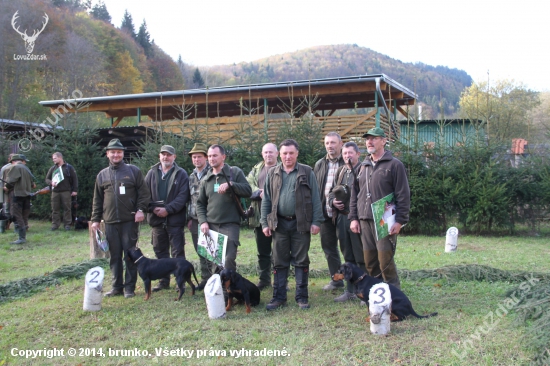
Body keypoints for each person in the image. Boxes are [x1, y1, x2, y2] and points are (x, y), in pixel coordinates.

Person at [261, 139, 324, 310]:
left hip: (301, 224)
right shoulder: (272, 173)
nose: (287, 156)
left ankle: (302, 297)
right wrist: (264, 223)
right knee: (279, 261)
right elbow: (266, 199)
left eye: (291, 153)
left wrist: (316, 221)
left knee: (301, 260)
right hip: (279, 224)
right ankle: (279, 297)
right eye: (284, 153)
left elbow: (316, 198)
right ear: (279, 155)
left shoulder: (307, 171)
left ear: (297, 154)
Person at [349, 127, 410, 289]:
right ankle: (375, 293)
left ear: (383, 141)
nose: (369, 141)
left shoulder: (395, 165)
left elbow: (403, 194)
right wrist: (354, 218)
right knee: (370, 260)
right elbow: (355, 194)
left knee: (385, 260)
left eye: (374, 138)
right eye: (367, 139)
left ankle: (394, 295)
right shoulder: (363, 166)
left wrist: (400, 220)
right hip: (364, 220)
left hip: (384, 218)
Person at [91, 139, 150, 298]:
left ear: (123, 153)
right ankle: (117, 286)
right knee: (114, 256)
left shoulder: (133, 171)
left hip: (129, 221)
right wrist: (96, 219)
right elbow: (97, 199)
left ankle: (129, 288)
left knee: (130, 255)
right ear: (107, 154)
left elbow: (144, 194)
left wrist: (140, 210)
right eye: (113, 152)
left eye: (119, 152)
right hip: (110, 222)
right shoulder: (102, 175)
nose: (116, 155)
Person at [196, 144, 252, 271]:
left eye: (215, 155)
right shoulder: (206, 179)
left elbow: (248, 191)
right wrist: (203, 221)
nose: (211, 159)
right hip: (211, 225)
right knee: (215, 260)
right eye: (209, 156)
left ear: (223, 157)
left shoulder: (234, 172)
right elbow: (200, 203)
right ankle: (218, 289)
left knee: (228, 258)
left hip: (230, 224)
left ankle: (230, 289)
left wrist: (231, 185)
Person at [144, 145, 190, 291]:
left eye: (169, 155)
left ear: (174, 157)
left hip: (174, 220)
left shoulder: (181, 173)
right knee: (160, 252)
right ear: (159, 156)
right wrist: (152, 209)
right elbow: (144, 194)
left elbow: (183, 196)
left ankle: (180, 281)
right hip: (156, 220)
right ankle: (164, 281)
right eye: (163, 154)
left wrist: (168, 210)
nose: (166, 157)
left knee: (177, 252)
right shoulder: (151, 173)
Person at [328, 141, 366, 301]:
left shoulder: (364, 170)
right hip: (342, 218)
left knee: (361, 256)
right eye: (344, 154)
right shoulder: (341, 171)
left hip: (357, 219)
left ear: (358, 154)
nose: (347, 156)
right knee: (347, 255)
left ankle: (364, 291)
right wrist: (332, 202)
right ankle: (350, 291)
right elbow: (331, 192)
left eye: (350, 153)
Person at [314, 131, 345, 291]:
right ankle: (337, 280)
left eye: (333, 143)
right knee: (329, 248)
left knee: (348, 249)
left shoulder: (347, 161)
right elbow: (316, 190)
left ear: (340, 144)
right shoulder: (320, 164)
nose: (330, 146)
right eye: (327, 143)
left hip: (343, 214)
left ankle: (354, 283)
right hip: (325, 214)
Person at [246, 142, 278, 290]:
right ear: (262, 154)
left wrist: (271, 193)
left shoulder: (283, 168)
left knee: (280, 252)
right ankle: (264, 280)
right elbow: (247, 186)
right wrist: (260, 192)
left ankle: (279, 280)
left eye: (271, 152)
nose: (268, 155)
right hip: (260, 218)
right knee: (263, 252)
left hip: (280, 217)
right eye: (265, 152)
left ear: (277, 154)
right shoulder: (256, 170)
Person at [187, 143, 213, 290]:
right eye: (194, 157)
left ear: (206, 158)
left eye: (199, 157)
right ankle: (205, 278)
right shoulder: (191, 176)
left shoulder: (212, 174)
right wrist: (189, 218)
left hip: (211, 218)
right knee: (201, 250)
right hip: (195, 219)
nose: (196, 159)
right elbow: (189, 199)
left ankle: (216, 278)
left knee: (213, 250)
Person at [4, 154, 35, 244]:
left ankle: (21, 238)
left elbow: (10, 181)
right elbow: (32, 184)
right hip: (27, 194)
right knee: (24, 215)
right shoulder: (26, 169)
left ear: (14, 161)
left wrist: (6, 187)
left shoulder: (15, 167)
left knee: (16, 215)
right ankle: (23, 235)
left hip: (17, 194)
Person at [45, 152, 78, 231]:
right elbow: (47, 179)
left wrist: (75, 190)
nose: (53, 160)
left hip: (66, 191)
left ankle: (67, 225)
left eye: (55, 158)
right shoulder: (53, 168)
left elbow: (75, 179)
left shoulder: (69, 168)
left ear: (60, 157)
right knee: (55, 209)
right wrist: (51, 183)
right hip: (55, 192)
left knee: (67, 209)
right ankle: (55, 225)